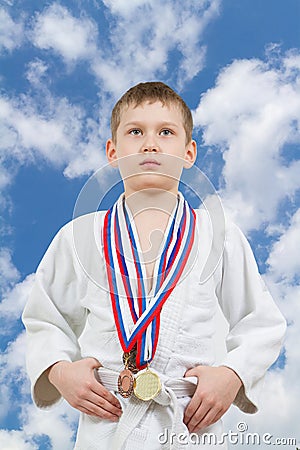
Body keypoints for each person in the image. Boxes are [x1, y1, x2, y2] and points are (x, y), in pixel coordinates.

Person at [22, 81, 286, 450]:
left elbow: (261, 322)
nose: (150, 144)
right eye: (135, 132)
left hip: (191, 420)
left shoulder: (218, 234)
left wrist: (232, 375)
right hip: (108, 419)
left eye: (166, 132)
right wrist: (60, 371)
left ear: (188, 153)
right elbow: (44, 319)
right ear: (113, 152)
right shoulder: (78, 236)